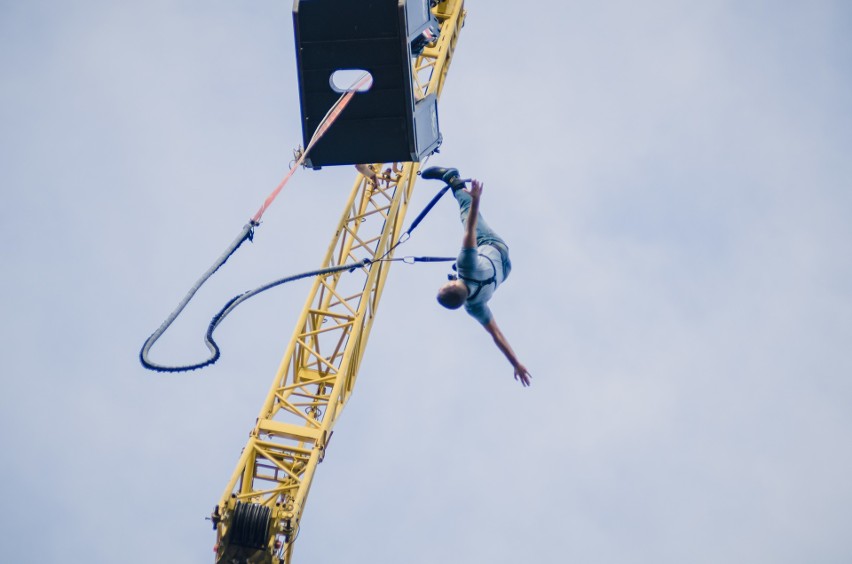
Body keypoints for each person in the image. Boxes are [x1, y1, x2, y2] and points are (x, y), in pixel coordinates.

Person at [421, 166, 532, 387]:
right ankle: (452, 178)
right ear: (452, 282)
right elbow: (470, 228)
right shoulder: (465, 265)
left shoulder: (475, 307)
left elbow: (497, 336)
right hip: (490, 244)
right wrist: (476, 200)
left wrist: (516, 363)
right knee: (466, 210)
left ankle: (457, 185)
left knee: (470, 228)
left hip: (503, 268)